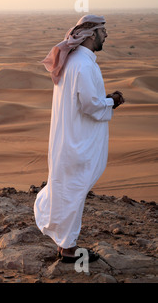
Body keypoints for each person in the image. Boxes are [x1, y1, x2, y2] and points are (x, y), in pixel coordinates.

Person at [34, 14, 125, 263]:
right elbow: (89, 105)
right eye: (103, 31)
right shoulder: (83, 65)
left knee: (68, 188)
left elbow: (84, 99)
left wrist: (102, 99)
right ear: (91, 34)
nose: (106, 35)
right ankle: (68, 248)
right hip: (77, 141)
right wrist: (112, 101)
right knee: (73, 189)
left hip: (70, 137)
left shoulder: (74, 61)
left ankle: (65, 241)